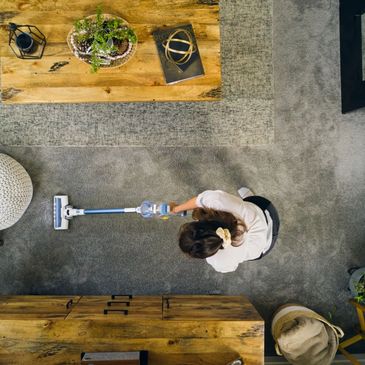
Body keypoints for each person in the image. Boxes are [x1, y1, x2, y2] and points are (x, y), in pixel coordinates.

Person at [172, 188, 280, 273]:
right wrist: (176, 209)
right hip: (266, 210)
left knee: (244, 209)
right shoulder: (216, 201)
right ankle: (249, 199)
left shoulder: (220, 262)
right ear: (199, 223)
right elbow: (199, 200)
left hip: (266, 245)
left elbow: (231, 267)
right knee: (244, 205)